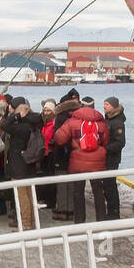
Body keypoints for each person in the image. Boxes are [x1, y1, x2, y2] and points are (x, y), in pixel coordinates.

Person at [51, 96, 110, 224]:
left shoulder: (72, 122)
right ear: (94, 107)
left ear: (81, 106)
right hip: (97, 162)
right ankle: (101, 219)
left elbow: (59, 139)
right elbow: (106, 142)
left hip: (77, 161)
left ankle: (79, 221)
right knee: (98, 192)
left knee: (78, 192)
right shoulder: (101, 123)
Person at [1, 97, 44, 226]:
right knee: (30, 194)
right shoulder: (34, 123)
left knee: (22, 196)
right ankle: (32, 221)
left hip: (18, 164)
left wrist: (16, 117)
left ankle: (26, 224)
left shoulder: (20, 127)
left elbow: (4, 125)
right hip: (30, 162)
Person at [49, 89, 82, 220]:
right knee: (72, 183)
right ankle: (71, 209)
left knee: (62, 182)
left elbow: (58, 137)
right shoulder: (78, 117)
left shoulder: (61, 118)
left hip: (62, 153)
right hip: (75, 153)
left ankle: (63, 209)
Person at [100, 96, 126, 219]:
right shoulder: (108, 120)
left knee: (110, 185)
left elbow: (120, 142)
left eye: (107, 104)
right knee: (106, 185)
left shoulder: (117, 122)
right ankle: (110, 212)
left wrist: (105, 150)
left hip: (112, 158)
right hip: (105, 157)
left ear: (114, 107)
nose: (104, 106)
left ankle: (114, 213)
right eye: (104, 104)